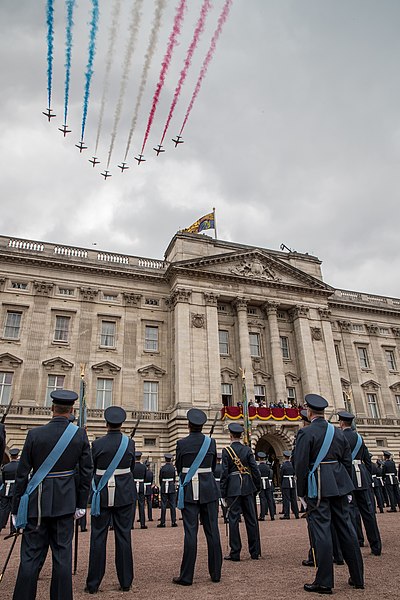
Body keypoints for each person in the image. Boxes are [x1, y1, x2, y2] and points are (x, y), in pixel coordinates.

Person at [11, 390, 92, 600]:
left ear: (51, 409)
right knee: (62, 557)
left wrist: (15, 508)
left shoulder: (34, 434)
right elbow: (86, 472)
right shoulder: (80, 434)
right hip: (65, 503)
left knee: (29, 557)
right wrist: (81, 504)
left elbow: (22, 475)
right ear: (72, 410)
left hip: (36, 503)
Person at [294, 394, 364, 594]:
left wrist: (301, 493)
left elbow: (300, 466)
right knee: (347, 530)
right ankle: (358, 577)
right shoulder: (338, 432)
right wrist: (346, 486)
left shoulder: (305, 434)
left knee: (322, 532)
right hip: (340, 485)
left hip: (318, 488)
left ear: (309, 411)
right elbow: (347, 461)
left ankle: (324, 581)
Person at [85, 406, 135, 594]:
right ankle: (125, 581)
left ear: (106, 424)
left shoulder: (97, 444)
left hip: (102, 493)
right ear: (121, 424)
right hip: (124, 493)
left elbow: (92, 468)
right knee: (124, 536)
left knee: (98, 537)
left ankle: (93, 583)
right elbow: (130, 467)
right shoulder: (129, 443)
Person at [173, 408, 222, 586]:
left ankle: (187, 576)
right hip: (208, 489)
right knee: (212, 532)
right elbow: (212, 466)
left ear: (188, 425)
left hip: (189, 490)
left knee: (190, 533)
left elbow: (179, 467)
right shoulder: (211, 443)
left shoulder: (181, 443)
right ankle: (216, 572)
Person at [338, 411, 382, 556]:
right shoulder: (359, 437)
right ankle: (376, 545)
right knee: (368, 512)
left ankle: (357, 540)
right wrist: (368, 477)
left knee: (350, 511)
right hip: (362, 476)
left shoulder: (339, 436)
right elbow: (368, 460)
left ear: (341, 423)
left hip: (348, 476)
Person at [220, 422, 261, 561]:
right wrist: (256, 486)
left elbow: (224, 473)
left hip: (233, 488)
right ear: (241, 435)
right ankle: (254, 552)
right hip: (248, 486)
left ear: (231, 435)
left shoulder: (226, 451)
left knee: (233, 520)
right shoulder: (247, 450)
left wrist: (223, 492)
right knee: (252, 520)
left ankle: (235, 552)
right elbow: (255, 470)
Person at [0, 447, 20, 533]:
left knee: (4, 509)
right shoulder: (19, 466)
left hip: (6, 490)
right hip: (15, 489)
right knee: (14, 510)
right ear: (17, 455)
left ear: (11, 456)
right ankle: (13, 528)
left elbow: (3, 480)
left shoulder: (5, 467)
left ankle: (0, 525)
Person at [157, 453, 178, 527]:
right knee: (173, 505)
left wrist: (162, 485)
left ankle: (163, 522)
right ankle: (173, 521)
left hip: (164, 486)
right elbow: (174, 478)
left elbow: (160, 478)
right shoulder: (173, 468)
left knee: (163, 505)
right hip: (171, 486)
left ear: (165, 459)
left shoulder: (162, 468)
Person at [280, 450, 299, 519]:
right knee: (293, 499)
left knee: (286, 499)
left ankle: (287, 514)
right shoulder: (292, 465)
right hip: (292, 483)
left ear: (284, 457)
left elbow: (281, 475)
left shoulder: (283, 465)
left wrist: (281, 483)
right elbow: (294, 473)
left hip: (285, 483)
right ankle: (296, 514)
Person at [257, 452, 275, 521]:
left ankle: (262, 515)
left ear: (259, 458)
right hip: (267, 483)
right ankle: (272, 515)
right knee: (269, 499)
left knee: (262, 500)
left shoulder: (258, 467)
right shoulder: (268, 467)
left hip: (261, 483)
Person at [132, 451, 147, 529]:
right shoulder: (143, 466)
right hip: (141, 485)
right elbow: (145, 477)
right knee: (141, 505)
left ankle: (131, 524)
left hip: (133, 485)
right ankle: (142, 523)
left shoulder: (132, 466)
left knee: (132, 506)